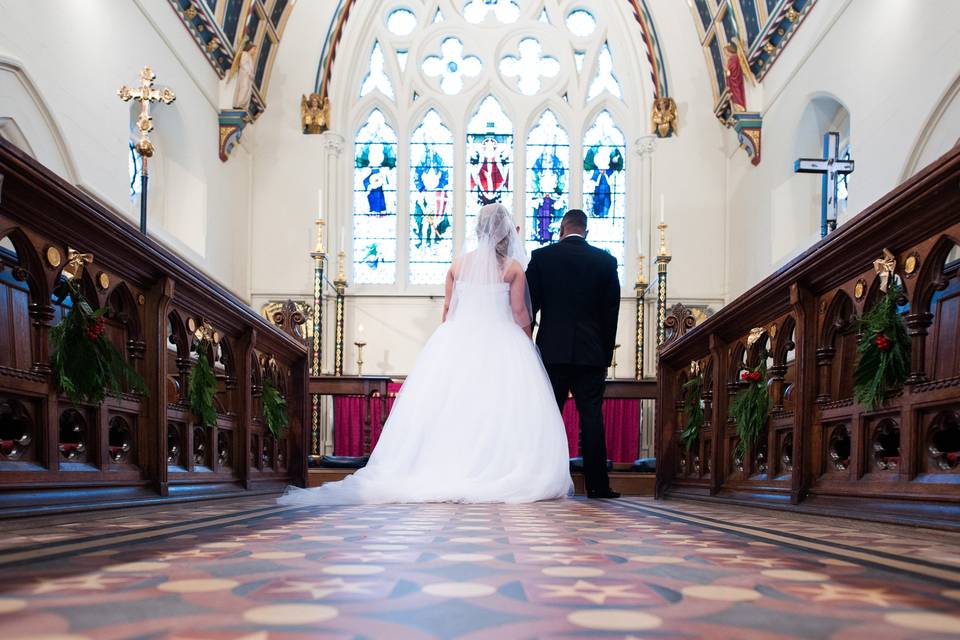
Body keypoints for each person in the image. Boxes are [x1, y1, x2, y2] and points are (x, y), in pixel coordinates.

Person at [279, 204, 572, 505]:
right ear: (505, 232)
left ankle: (447, 466)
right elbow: (520, 312)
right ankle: (495, 467)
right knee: (498, 408)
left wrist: (454, 343)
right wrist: (526, 344)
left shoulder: (458, 266)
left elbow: (448, 310)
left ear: (478, 230)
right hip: (502, 339)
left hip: (457, 338)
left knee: (452, 407)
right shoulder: (512, 269)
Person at [526, 209, 621, 499]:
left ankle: (542, 483)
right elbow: (611, 315)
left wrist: (527, 347)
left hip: (552, 353)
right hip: (590, 355)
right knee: (592, 418)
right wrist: (604, 356)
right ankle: (597, 486)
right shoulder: (605, 262)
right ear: (586, 231)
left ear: (561, 229)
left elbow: (529, 307)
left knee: (548, 417)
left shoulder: (542, 257)